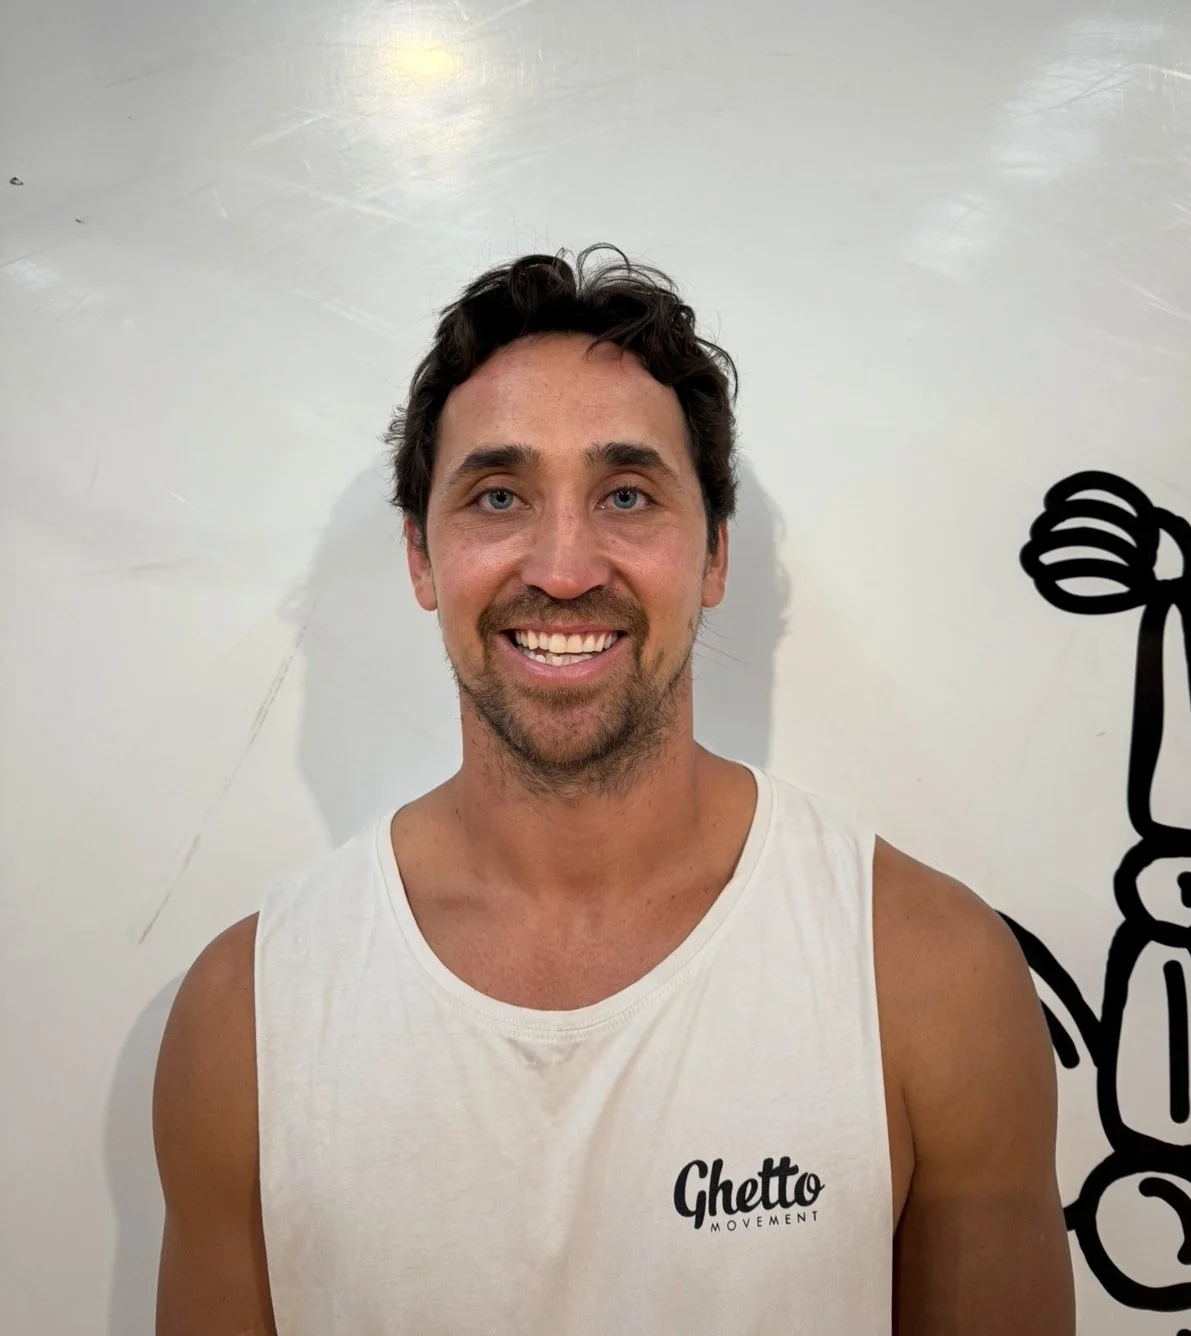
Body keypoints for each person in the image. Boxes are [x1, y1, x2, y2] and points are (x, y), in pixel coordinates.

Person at [152, 245, 1076, 1335]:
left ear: (714, 555)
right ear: (420, 557)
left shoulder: (929, 976)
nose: (563, 568)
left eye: (626, 495)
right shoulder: (247, 1016)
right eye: (499, 495)